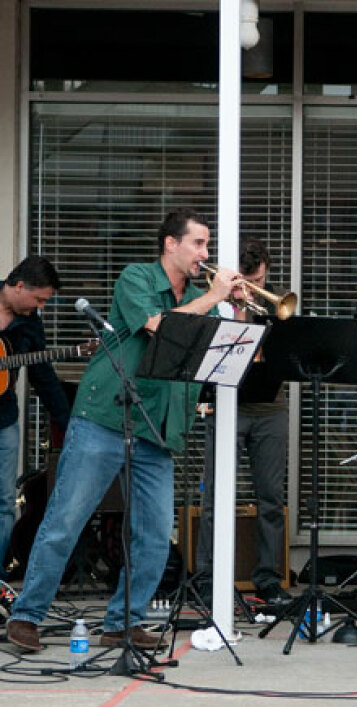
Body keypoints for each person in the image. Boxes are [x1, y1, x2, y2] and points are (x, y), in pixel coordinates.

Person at [5, 208, 238, 653]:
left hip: (157, 427)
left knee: (153, 533)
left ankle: (123, 622)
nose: (205, 254)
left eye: (207, 245)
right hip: (105, 417)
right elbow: (159, 328)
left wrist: (229, 309)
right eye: (199, 244)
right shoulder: (135, 278)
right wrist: (212, 299)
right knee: (65, 521)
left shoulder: (196, 294)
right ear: (171, 244)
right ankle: (27, 616)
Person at [195, 237, 290, 605]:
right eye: (247, 282)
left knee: (271, 498)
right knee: (216, 497)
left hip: (269, 408)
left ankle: (268, 577)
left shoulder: (273, 307)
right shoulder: (213, 306)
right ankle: (207, 576)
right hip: (225, 405)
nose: (255, 289)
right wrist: (232, 309)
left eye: (260, 281)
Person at [0, 257, 71, 570]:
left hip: (4, 420)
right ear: (18, 286)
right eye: (39, 299)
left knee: (3, 503)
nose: (40, 306)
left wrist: (67, 422)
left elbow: (43, 375)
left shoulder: (30, 324)